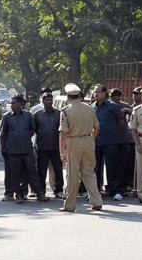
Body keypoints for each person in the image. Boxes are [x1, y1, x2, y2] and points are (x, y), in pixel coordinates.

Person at [58, 84, 103, 212]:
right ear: (79, 96)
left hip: (73, 141)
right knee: (89, 172)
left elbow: (63, 134)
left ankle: (70, 205)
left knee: (72, 175)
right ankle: (97, 201)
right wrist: (90, 139)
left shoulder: (66, 111)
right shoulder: (90, 108)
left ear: (68, 96)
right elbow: (97, 127)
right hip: (88, 140)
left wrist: (62, 152)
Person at [0, 95, 47, 203]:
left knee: (32, 172)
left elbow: (32, 129)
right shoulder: (6, 117)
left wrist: (23, 136)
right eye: (11, 103)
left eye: (14, 103)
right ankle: (18, 194)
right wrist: (3, 147)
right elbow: (3, 134)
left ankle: (39, 194)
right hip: (12, 150)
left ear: (20, 104)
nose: (12, 105)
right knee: (15, 173)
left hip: (26, 149)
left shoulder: (28, 115)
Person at [92, 85, 128, 201]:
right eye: (94, 92)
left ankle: (115, 190)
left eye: (97, 92)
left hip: (111, 141)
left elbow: (121, 123)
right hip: (96, 141)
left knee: (112, 167)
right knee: (95, 167)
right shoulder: (92, 107)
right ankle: (96, 191)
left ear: (104, 93)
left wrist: (114, 135)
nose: (95, 94)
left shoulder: (113, 107)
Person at [33, 92, 64, 199]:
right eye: (47, 100)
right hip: (42, 147)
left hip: (56, 147)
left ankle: (58, 190)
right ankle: (41, 191)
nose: (49, 102)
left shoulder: (59, 113)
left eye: (51, 99)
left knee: (58, 170)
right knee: (41, 170)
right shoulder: (37, 115)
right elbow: (34, 129)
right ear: (42, 101)